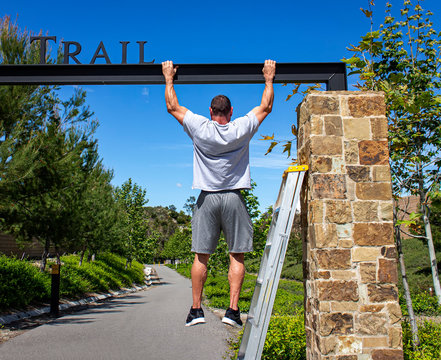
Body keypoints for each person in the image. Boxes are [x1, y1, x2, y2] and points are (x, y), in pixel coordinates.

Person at [162, 59, 276, 327]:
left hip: (207, 198)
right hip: (234, 198)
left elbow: (172, 106)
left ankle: (195, 310)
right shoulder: (240, 129)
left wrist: (168, 77)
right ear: (231, 111)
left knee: (201, 255)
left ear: (211, 111)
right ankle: (233, 312)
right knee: (236, 255)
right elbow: (266, 106)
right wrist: (268, 77)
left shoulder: (201, 128)